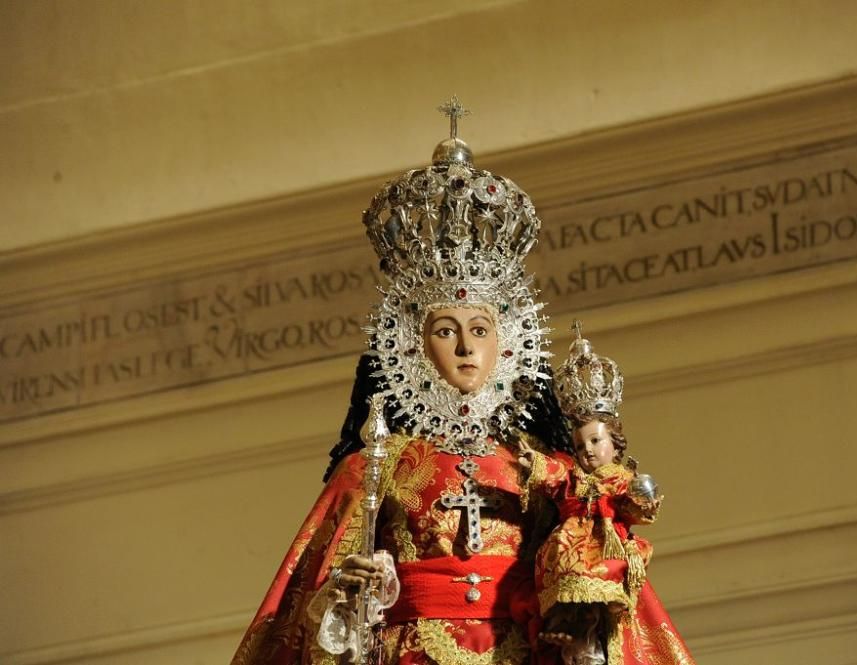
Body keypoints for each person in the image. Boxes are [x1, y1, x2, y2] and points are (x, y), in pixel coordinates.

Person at [231, 100, 696, 665]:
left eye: (480, 329)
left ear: (508, 344)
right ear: (412, 346)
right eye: (445, 330)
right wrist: (350, 595)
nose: (466, 347)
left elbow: (599, 583)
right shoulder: (375, 465)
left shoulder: (542, 470)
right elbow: (308, 616)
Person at [519, 326, 662, 665]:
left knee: (595, 577)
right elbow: (556, 478)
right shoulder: (575, 476)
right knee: (557, 563)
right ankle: (562, 624)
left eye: (596, 442)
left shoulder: (621, 477)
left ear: (615, 443)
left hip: (607, 543)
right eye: (580, 446)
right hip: (571, 539)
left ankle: (587, 637)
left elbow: (636, 508)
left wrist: (644, 498)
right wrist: (534, 462)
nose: (588, 452)